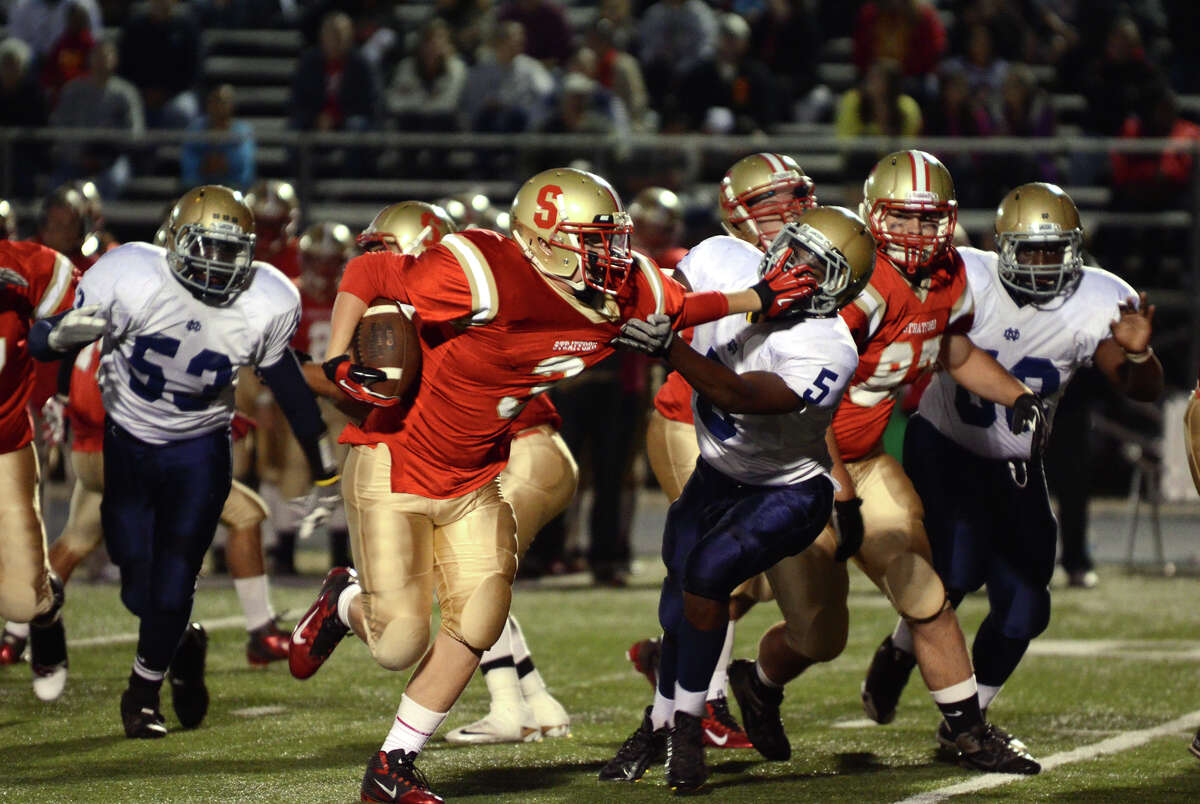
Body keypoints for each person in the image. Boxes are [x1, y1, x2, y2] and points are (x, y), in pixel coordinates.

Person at [285, 167, 817, 802]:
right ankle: (344, 599)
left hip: (478, 474)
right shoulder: (480, 265)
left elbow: (683, 304)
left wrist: (760, 297)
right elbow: (373, 273)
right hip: (397, 461)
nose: (612, 257)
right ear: (540, 238)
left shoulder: (622, 286)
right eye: (592, 240)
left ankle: (393, 763)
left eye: (613, 240)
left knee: (481, 615)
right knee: (399, 641)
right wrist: (344, 355)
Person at [727, 150, 1044, 775]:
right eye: (905, 219)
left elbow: (950, 346)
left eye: (931, 221)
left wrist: (1016, 395)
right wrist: (839, 491)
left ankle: (969, 732)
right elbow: (801, 401)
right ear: (873, 216)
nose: (920, 236)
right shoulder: (854, 282)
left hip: (863, 459)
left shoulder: (948, 274)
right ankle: (749, 683)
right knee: (820, 635)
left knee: (923, 590)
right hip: (797, 462)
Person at [861, 181, 1163, 757]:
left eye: (1055, 251)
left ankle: (961, 723)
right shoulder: (962, 275)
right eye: (1030, 250)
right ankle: (908, 655)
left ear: (1075, 249)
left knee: (1026, 608)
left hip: (1018, 462)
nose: (1044, 263)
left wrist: (1139, 352)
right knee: (955, 570)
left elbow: (1138, 386)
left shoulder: (1100, 297)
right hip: (944, 443)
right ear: (1001, 247)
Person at [29, 185, 341, 738]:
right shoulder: (130, 273)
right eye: (207, 247)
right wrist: (54, 337)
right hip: (128, 442)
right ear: (175, 241)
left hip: (201, 449)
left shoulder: (265, 297)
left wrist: (321, 455)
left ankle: (142, 694)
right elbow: (46, 343)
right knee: (136, 585)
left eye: (230, 251)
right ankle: (184, 642)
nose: (218, 265)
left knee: (175, 577)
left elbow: (286, 380)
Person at [601, 207, 874, 791]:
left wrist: (670, 346)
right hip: (716, 475)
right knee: (676, 605)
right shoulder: (724, 259)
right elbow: (664, 297)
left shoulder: (828, 345)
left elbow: (739, 394)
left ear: (836, 293)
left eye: (814, 269)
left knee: (707, 579)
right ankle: (658, 723)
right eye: (793, 251)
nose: (793, 269)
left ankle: (689, 732)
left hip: (787, 490)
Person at [347, 200, 575, 745]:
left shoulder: (446, 310)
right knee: (473, 592)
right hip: (529, 453)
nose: (382, 265)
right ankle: (536, 700)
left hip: (516, 454)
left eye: (388, 252)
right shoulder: (460, 296)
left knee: (470, 591)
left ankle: (508, 706)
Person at [627, 155, 817, 751]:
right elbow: (665, 306)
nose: (787, 211)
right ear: (737, 214)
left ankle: (670, 659)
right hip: (693, 422)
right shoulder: (714, 255)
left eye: (794, 196)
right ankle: (694, 706)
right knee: (717, 573)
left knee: (748, 584)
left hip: (763, 441)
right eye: (769, 202)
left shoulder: (819, 261)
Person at [258, 221, 357, 574]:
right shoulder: (291, 294)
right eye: (320, 261)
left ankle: (338, 550)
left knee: (346, 471)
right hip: (300, 393)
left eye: (334, 261)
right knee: (293, 468)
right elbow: (273, 352)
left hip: (342, 395)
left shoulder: (356, 294)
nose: (327, 270)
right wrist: (268, 399)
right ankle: (284, 549)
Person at [0, 239, 75, 699]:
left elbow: (80, 315)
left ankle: (46, 614)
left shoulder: (28, 268)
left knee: (23, 599)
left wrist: (53, 390)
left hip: (4, 443)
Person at [180, 84, 256, 191]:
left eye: (224, 101)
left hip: (234, 187)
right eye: (215, 101)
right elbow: (189, 164)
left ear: (232, 105)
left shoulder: (243, 131)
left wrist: (226, 164)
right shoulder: (195, 129)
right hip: (199, 188)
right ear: (208, 104)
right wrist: (204, 164)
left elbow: (243, 164)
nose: (219, 106)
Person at [244, 180, 301, 281]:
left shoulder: (302, 256)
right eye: (261, 224)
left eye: (275, 226)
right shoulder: (237, 252)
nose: (268, 234)